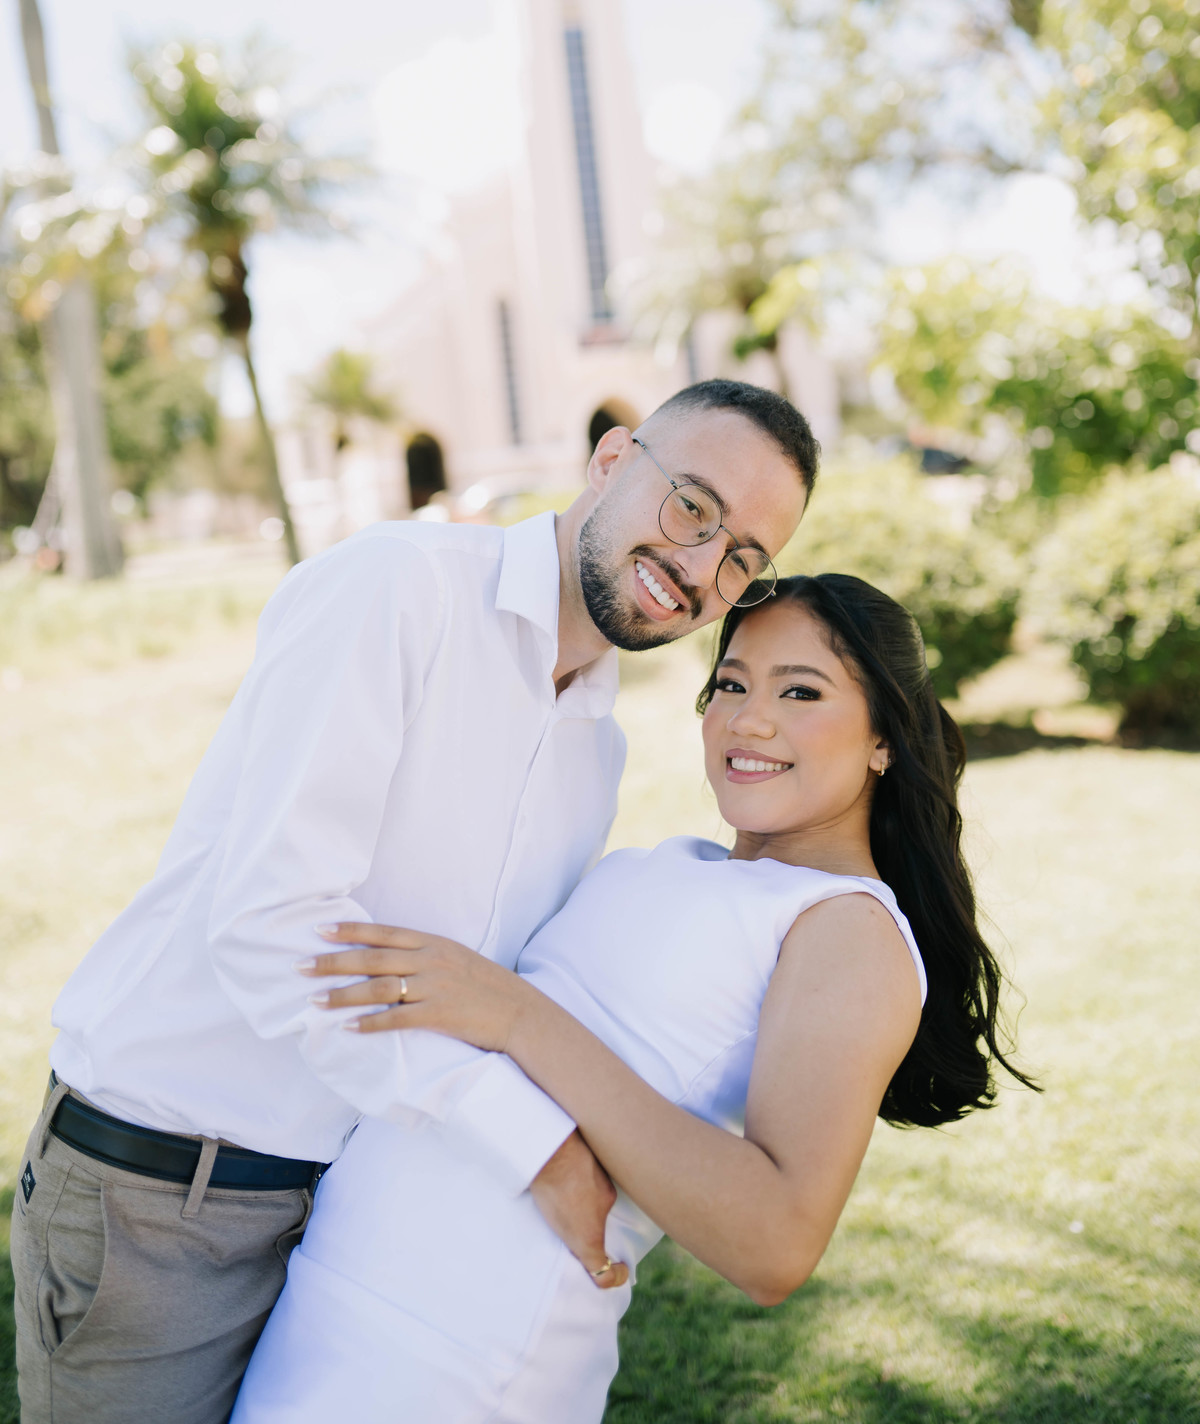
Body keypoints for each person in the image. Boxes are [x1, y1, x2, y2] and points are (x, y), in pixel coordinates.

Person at [9, 379, 815, 1424]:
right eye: (693, 506)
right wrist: (529, 1141)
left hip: (347, 1220)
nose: (701, 568)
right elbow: (271, 929)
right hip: (165, 1199)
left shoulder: (596, 750)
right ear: (612, 461)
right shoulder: (398, 591)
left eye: (743, 557)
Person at [233, 572, 1037, 1424]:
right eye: (731, 684)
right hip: (343, 1286)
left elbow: (776, 1243)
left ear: (885, 738)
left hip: (465, 1348)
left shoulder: (847, 928)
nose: (748, 719)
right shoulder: (673, 864)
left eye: (800, 691)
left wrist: (516, 1016)